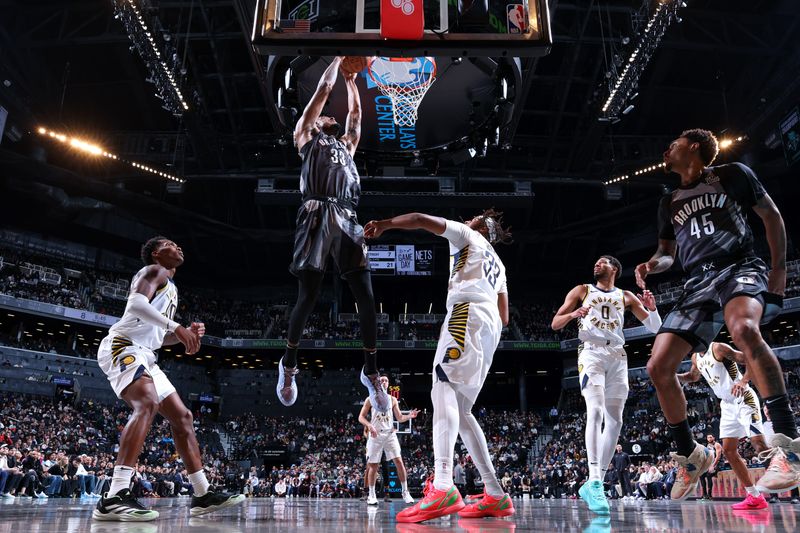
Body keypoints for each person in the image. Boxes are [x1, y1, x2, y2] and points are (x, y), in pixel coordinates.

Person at [635, 128, 799, 499]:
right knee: (658, 366)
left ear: (693, 146)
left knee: (742, 328)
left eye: (672, 143)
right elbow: (667, 254)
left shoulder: (731, 174)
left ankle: (790, 447)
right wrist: (652, 264)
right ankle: (692, 455)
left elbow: (771, 216)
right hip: (697, 281)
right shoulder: (669, 201)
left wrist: (778, 272)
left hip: (738, 266)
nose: (666, 148)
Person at [364, 209, 515, 522]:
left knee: (442, 384)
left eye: (475, 218)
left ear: (482, 227)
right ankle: (496, 494)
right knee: (462, 411)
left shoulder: (467, 235)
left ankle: (444, 485)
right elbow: (505, 317)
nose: (470, 218)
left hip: (466, 312)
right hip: (490, 329)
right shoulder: (498, 266)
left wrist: (385, 224)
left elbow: (420, 219)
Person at [94, 236, 245, 521]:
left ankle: (202, 493)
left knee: (183, 417)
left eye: (178, 244)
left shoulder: (171, 288)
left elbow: (157, 338)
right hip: (122, 345)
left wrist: (180, 333)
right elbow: (135, 306)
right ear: (156, 253)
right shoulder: (153, 271)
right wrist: (177, 326)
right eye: (170, 244)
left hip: (146, 353)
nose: (178, 247)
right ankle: (115, 495)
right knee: (147, 404)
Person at [277, 56, 389, 412]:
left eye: (332, 119)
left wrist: (354, 82)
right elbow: (324, 90)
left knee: (367, 297)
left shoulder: (347, 147)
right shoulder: (305, 136)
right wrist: (340, 59)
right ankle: (289, 365)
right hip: (315, 211)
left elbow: (356, 120)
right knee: (308, 296)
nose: (332, 117)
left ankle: (370, 372)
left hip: (347, 216)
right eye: (328, 117)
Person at [551, 255, 662, 514]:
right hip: (591, 354)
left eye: (602, 262)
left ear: (614, 268)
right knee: (596, 410)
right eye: (595, 262)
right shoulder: (582, 290)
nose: (596, 264)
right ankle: (595, 481)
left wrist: (653, 308)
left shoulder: (626, 296)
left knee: (616, 421)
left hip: (618, 357)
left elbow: (655, 328)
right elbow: (556, 323)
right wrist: (573, 314)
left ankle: (595, 481)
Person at [677, 341, 769, 509]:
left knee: (759, 444)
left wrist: (744, 381)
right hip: (726, 404)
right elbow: (693, 376)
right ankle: (754, 496)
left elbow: (750, 358)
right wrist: (674, 377)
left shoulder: (718, 348)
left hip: (743, 397)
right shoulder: (695, 357)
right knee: (728, 450)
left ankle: (787, 476)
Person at [358, 374, 419, 505]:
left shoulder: (392, 400)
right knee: (373, 465)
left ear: (388, 384)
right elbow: (360, 417)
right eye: (382, 380)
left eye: (386, 381)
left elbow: (400, 417)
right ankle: (372, 495)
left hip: (390, 434)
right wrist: (369, 425)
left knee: (399, 461)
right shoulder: (370, 399)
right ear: (378, 384)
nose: (384, 382)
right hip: (375, 435)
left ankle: (405, 492)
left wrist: (410, 416)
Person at [761, 403, 800, 505]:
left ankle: (795, 496)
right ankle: (774, 496)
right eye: (765, 410)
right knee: (771, 475)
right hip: (770, 451)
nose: (767, 412)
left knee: (791, 472)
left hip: (785, 449)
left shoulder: (780, 421)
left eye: (768, 409)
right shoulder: (763, 425)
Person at [697, 435, 723, 501]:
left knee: (709, 475)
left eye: (711, 437)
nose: (709, 438)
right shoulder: (707, 446)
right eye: (708, 437)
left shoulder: (717, 445)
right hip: (710, 464)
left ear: (714, 438)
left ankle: (709, 495)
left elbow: (718, 457)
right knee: (701, 475)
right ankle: (704, 495)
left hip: (718, 463)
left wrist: (713, 465)